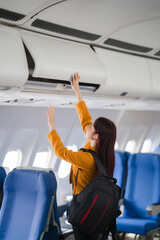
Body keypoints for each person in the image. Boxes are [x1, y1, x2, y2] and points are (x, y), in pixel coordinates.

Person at [46, 72, 116, 240]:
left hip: (84, 207)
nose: (87, 127)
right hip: (88, 206)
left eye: (91, 127)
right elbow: (85, 119)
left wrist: (51, 125)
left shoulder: (88, 158)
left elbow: (61, 152)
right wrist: (77, 91)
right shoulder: (93, 147)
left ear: (96, 136)